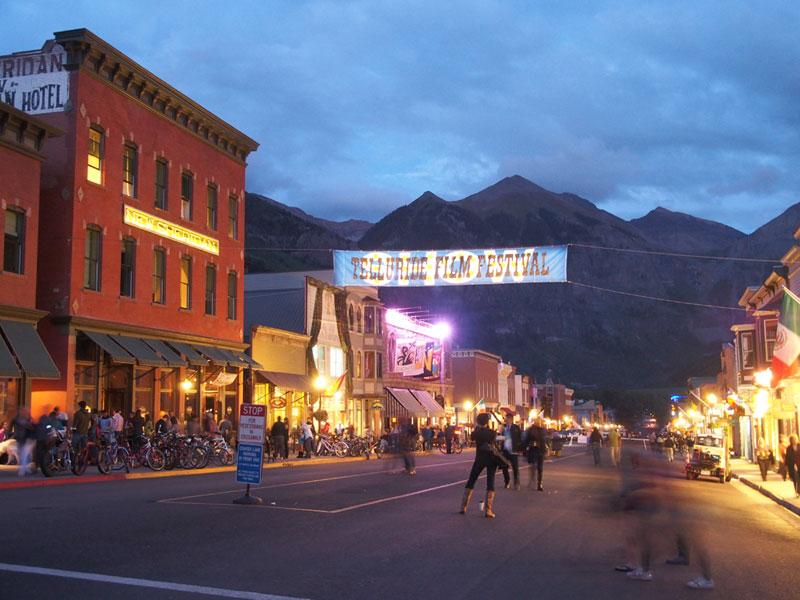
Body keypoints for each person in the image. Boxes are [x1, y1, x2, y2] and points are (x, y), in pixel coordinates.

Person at [459, 412, 499, 517]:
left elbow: (472, 438)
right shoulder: (491, 433)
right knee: (490, 482)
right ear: (487, 422)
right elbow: (494, 439)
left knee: (472, 480)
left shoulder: (475, 433)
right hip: (491, 459)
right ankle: (488, 510)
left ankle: (463, 506)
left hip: (479, 459)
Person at [523, 418, 547, 491]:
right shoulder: (531, 430)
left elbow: (544, 440)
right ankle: (534, 481)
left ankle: (539, 483)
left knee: (539, 468)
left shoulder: (542, 430)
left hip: (539, 450)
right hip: (533, 450)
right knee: (534, 466)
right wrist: (523, 448)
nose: (538, 423)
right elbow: (527, 440)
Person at [500, 413, 521, 490]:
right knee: (504, 467)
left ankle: (516, 483)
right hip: (505, 450)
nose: (507, 420)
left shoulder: (516, 427)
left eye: (508, 418)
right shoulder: (504, 428)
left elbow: (519, 438)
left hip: (513, 451)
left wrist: (519, 449)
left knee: (515, 468)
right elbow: (501, 438)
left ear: (511, 419)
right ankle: (507, 481)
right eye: (506, 418)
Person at [11, 407, 35, 476]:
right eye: (23, 411)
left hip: (25, 438)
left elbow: (30, 427)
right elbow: (28, 426)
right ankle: (25, 468)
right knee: (22, 453)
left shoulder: (22, 419)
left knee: (24, 453)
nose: (24, 412)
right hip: (21, 438)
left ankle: (23, 469)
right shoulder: (18, 419)